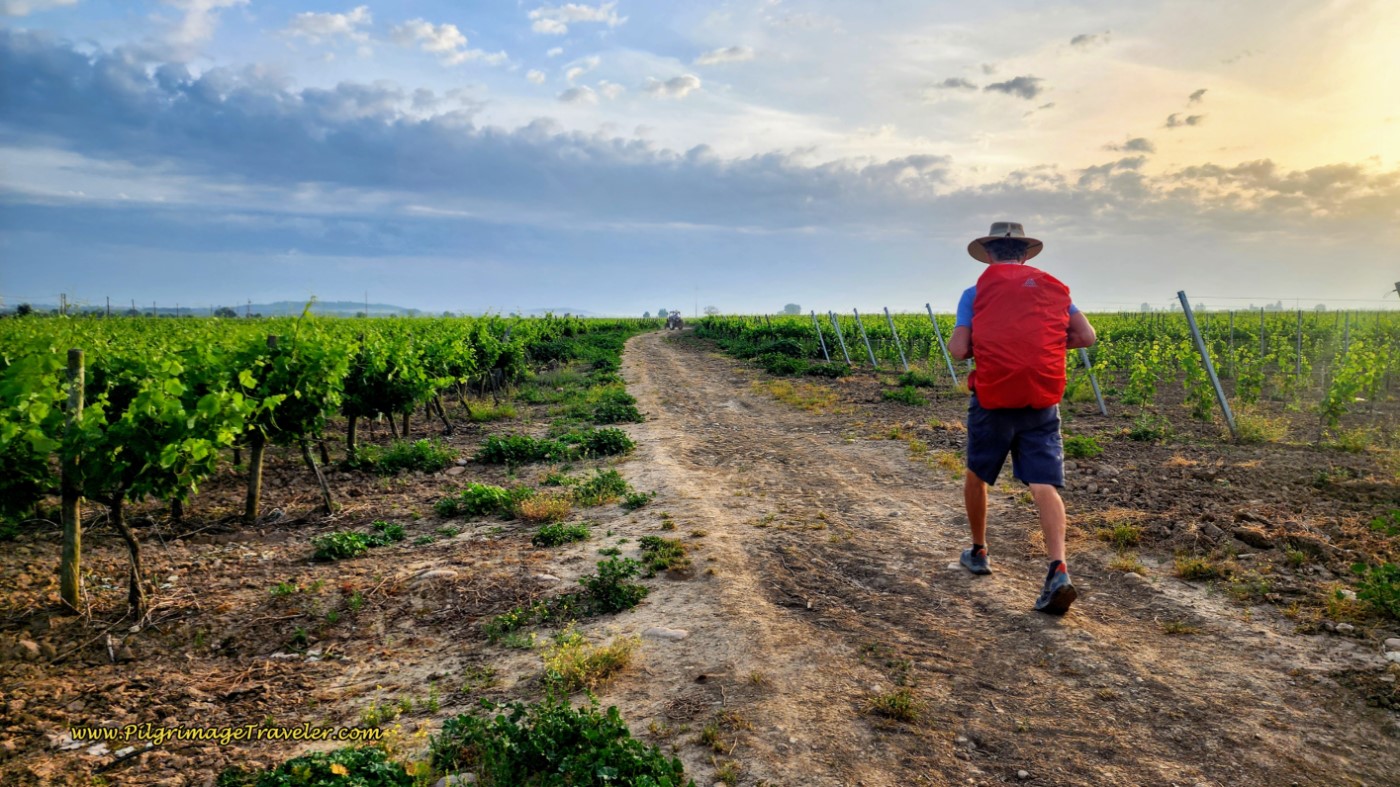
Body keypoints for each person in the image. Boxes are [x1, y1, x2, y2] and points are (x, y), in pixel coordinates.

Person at [947, 222, 1097, 615]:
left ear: (990, 254)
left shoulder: (975, 293)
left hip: (993, 398)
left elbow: (960, 349)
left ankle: (979, 551)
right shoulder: (1053, 288)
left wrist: (990, 345)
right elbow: (1086, 336)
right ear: (1026, 254)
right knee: (1044, 483)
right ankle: (1058, 568)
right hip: (1041, 399)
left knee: (977, 474)